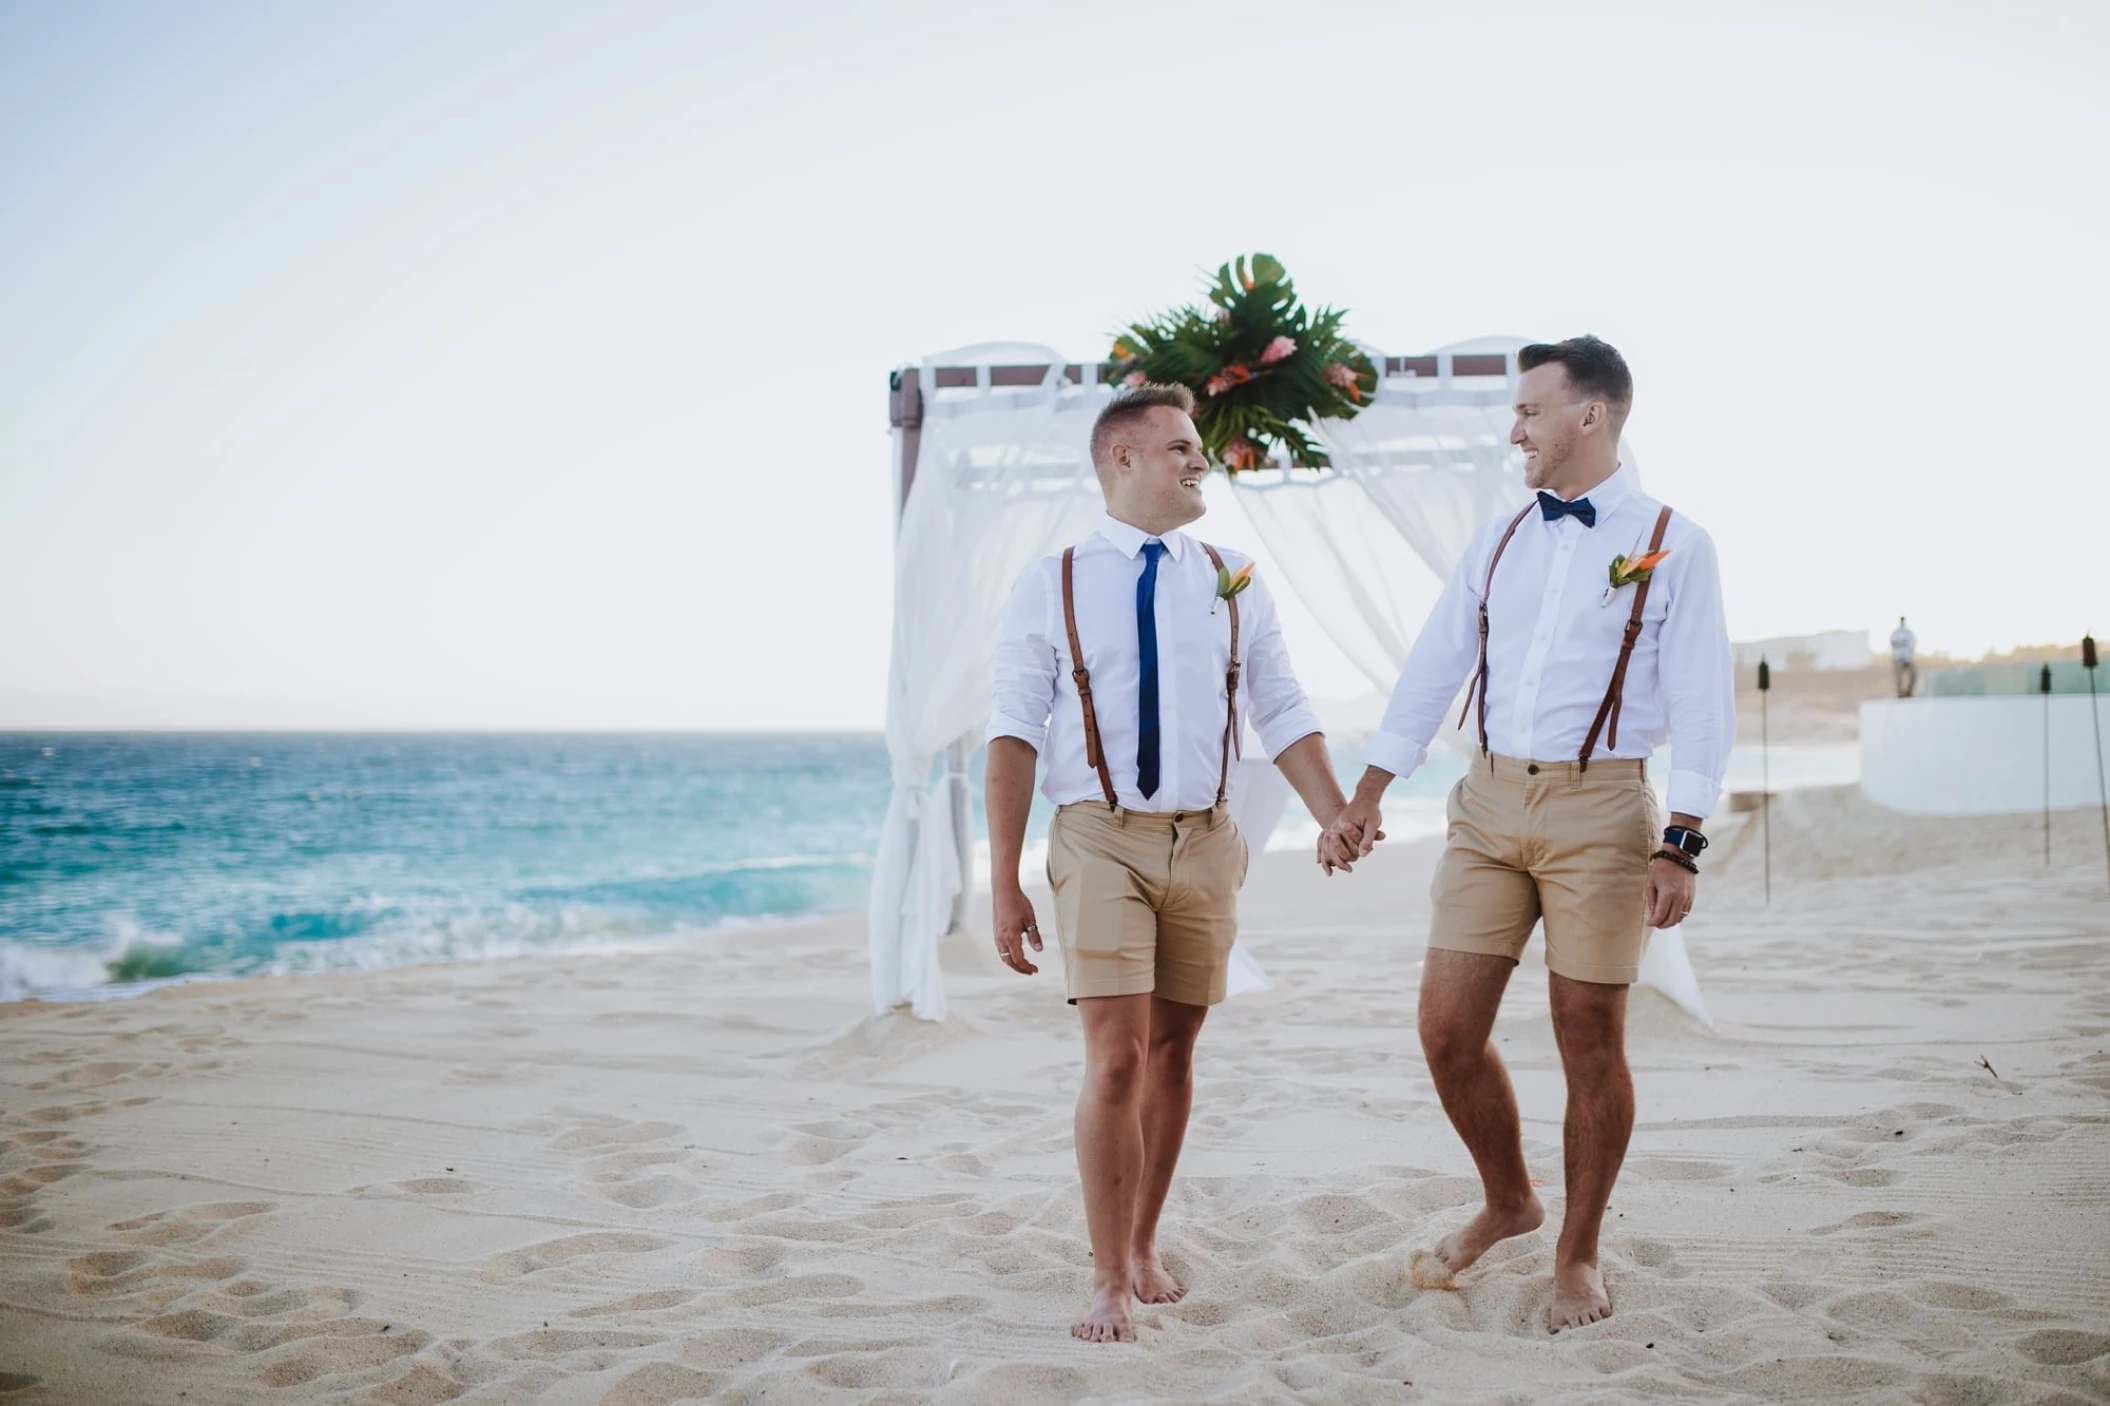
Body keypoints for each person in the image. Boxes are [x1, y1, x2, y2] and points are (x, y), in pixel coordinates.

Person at [1326, 336, 1733, 1334]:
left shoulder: (1677, 540)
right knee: (1444, 1027)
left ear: (1588, 416)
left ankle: (1578, 1247)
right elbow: (1432, 664)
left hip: (1604, 808)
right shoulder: (1498, 537)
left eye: (1529, 412)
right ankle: (1509, 1197)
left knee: (1587, 1034)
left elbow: (1701, 696)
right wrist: (1369, 789)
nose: (1514, 429)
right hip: (1488, 801)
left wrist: (1681, 838)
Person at [985, 383, 1365, 1344]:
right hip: (1096, 834)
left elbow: (1280, 704)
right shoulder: (1053, 581)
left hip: (1208, 837)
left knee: (1175, 1052)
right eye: (1182, 449)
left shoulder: (1234, 574)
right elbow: (1012, 735)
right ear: (1123, 460)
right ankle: (1109, 1278)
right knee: (1114, 1059)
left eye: (1199, 450)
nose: (1201, 464)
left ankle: (1145, 1240)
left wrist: (1335, 814)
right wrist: (1003, 879)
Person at [1891, 616, 1917, 697]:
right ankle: (1900, 693)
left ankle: (1909, 692)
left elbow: (1913, 642)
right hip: (1898, 658)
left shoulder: (1909, 632)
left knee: (1913, 675)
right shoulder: (1895, 633)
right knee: (1898, 677)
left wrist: (1910, 653)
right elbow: (1893, 643)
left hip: (1908, 657)